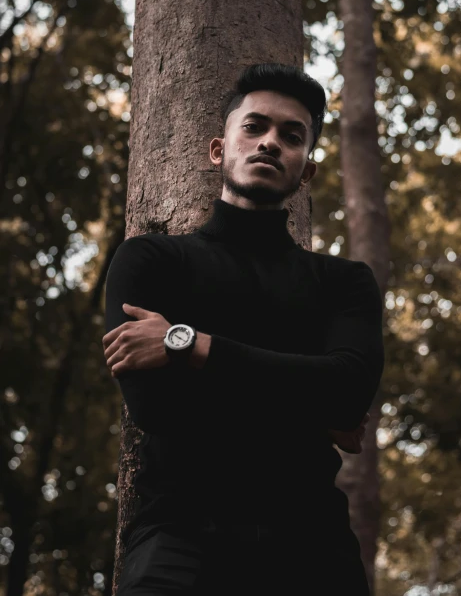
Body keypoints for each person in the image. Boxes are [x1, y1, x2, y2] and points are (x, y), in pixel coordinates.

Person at [103, 63, 385, 595]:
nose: (271, 143)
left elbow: (347, 391)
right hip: (179, 540)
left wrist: (186, 342)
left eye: (291, 135)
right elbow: (156, 408)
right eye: (254, 127)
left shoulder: (343, 282)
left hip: (313, 548)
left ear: (307, 172)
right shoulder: (152, 260)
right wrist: (308, 403)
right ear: (219, 149)